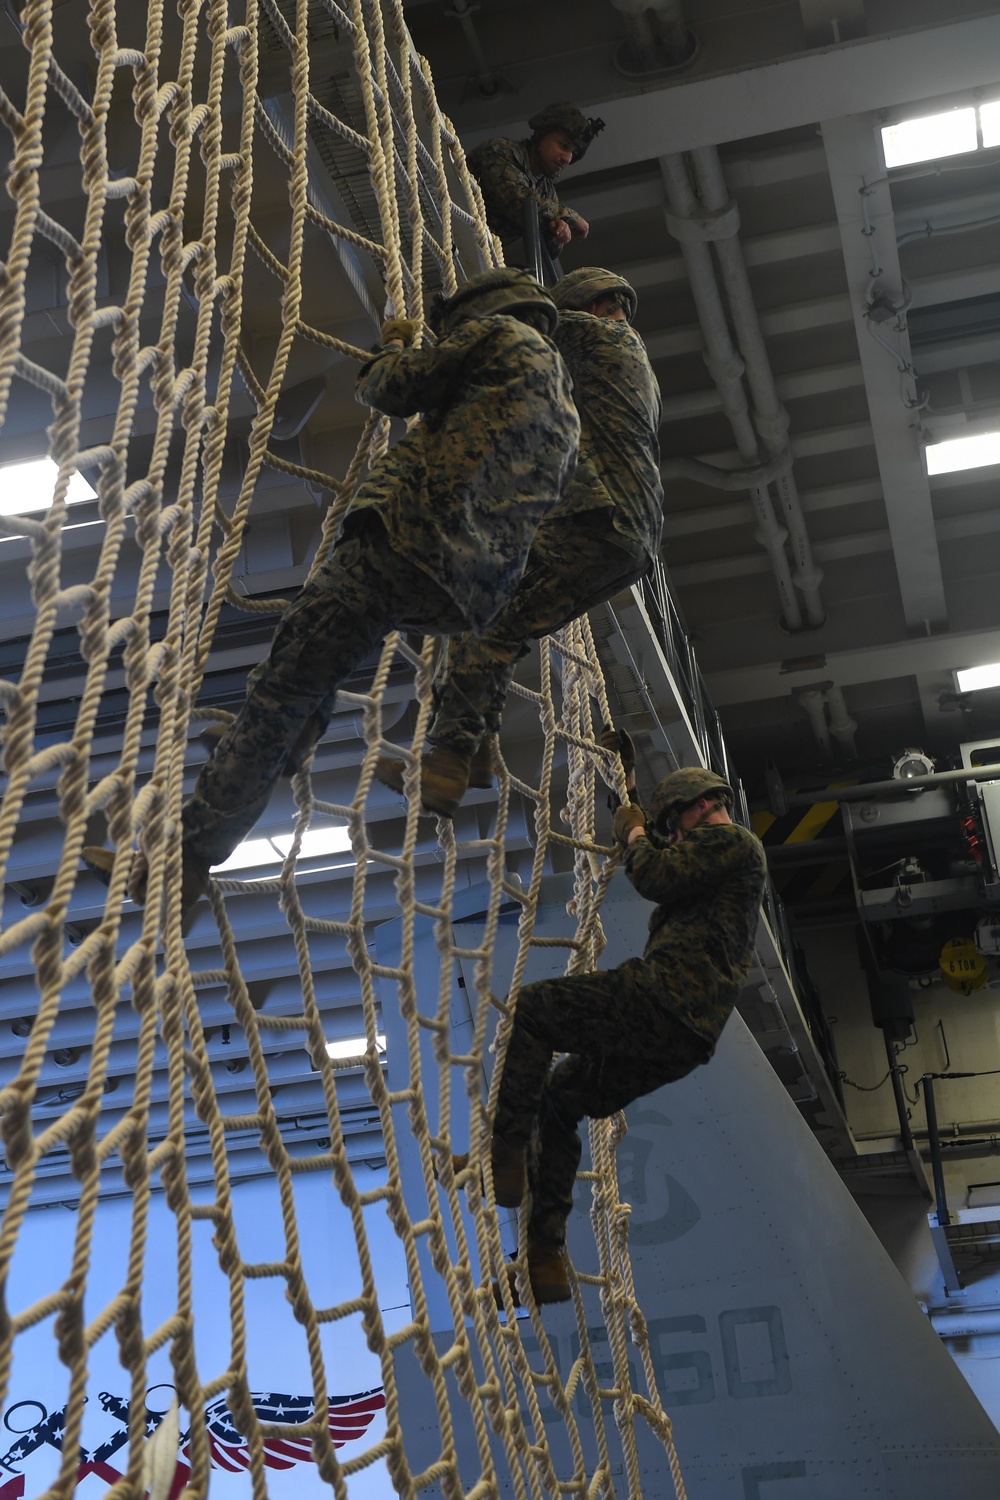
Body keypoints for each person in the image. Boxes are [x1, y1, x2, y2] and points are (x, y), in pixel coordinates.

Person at [83, 268, 580, 910]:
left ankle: (184, 857)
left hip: (403, 544)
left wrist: (395, 346)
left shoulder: (498, 335)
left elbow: (391, 389)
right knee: (305, 688)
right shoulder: (563, 405)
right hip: (468, 594)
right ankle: (274, 756)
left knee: (282, 691)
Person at [375, 267, 663, 818]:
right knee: (502, 625)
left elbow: (504, 334)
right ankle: (474, 749)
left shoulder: (592, 334)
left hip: (597, 522)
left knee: (484, 615)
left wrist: (439, 324)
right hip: (626, 538)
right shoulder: (631, 359)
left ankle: (451, 760)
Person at [484, 765, 766, 1309]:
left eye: (674, 825)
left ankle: (505, 1153)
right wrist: (629, 790)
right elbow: (672, 865)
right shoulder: (719, 858)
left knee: (533, 1010)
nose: (673, 835)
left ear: (700, 805)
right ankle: (541, 1261)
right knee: (559, 1099)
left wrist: (634, 831)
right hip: (684, 1036)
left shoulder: (733, 842)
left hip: (665, 998)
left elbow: (656, 875)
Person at [467, 103, 604, 265]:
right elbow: (517, 199)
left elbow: (549, 252)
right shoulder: (501, 151)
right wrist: (570, 216)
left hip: (474, 251)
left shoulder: (546, 192)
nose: (567, 158)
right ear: (541, 135)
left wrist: (559, 232)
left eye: (573, 153)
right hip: (449, 221)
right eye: (563, 145)